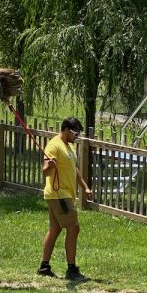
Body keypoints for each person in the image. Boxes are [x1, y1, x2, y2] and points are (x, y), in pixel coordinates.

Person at [38, 116, 93, 282]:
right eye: (75, 133)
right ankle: (71, 269)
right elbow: (45, 170)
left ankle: (44, 267)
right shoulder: (54, 146)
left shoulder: (69, 147)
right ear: (67, 130)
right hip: (58, 193)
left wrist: (85, 187)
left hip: (64, 194)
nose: (77, 136)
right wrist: (51, 166)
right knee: (74, 229)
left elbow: (74, 170)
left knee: (55, 228)